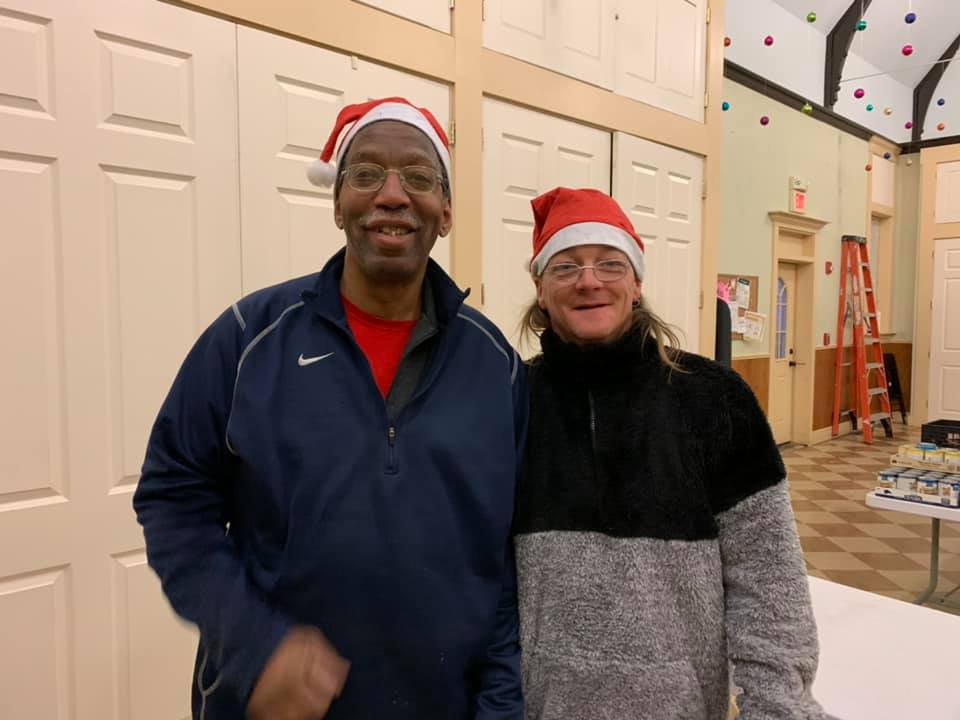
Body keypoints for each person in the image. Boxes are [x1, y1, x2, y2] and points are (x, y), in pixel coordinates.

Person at [134, 97, 527, 720]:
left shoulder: (495, 366)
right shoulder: (247, 339)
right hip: (269, 704)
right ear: (337, 200)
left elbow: (508, 561)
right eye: (367, 173)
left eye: (419, 178)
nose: (392, 195)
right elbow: (172, 497)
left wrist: (501, 707)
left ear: (446, 211)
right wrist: (255, 642)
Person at [512, 187, 824, 719]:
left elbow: (768, 575)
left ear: (636, 283)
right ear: (541, 289)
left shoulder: (714, 397)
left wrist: (777, 708)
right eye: (566, 267)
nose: (589, 280)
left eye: (610, 264)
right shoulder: (510, 402)